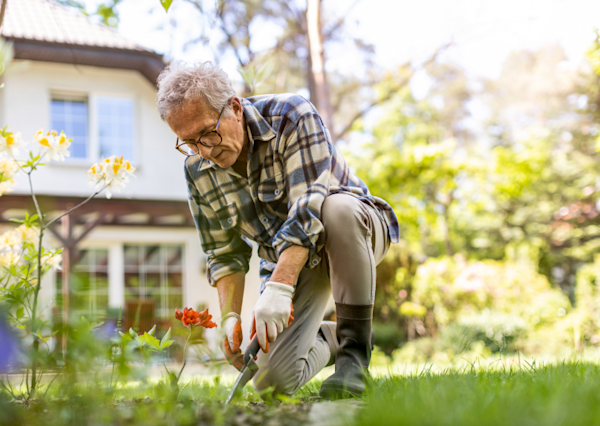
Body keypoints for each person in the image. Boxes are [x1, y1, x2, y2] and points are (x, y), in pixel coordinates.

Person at [156, 61, 399, 399]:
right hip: (292, 262)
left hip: (352, 234)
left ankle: (353, 359)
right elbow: (224, 253)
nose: (206, 151)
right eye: (190, 142)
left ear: (235, 108)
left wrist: (280, 287)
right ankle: (338, 335)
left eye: (208, 133)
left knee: (336, 208)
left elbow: (308, 208)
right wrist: (230, 318)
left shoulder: (291, 114)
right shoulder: (197, 170)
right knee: (273, 382)